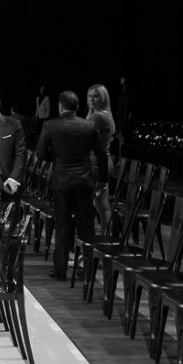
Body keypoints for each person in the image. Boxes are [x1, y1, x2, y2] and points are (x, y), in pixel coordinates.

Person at [35, 89, 108, 281]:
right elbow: (102, 154)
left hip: (61, 181)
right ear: (77, 106)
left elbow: (40, 154)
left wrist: (57, 158)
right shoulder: (89, 125)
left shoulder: (50, 125)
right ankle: (88, 271)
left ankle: (60, 270)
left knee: (63, 225)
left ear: (60, 106)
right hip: (84, 181)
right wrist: (103, 179)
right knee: (87, 227)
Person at [87, 83, 117, 235]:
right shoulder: (106, 114)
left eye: (96, 96)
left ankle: (102, 238)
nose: (92, 99)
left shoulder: (98, 116)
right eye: (90, 96)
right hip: (103, 162)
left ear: (103, 98)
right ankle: (105, 237)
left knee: (100, 206)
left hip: (96, 164)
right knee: (102, 206)